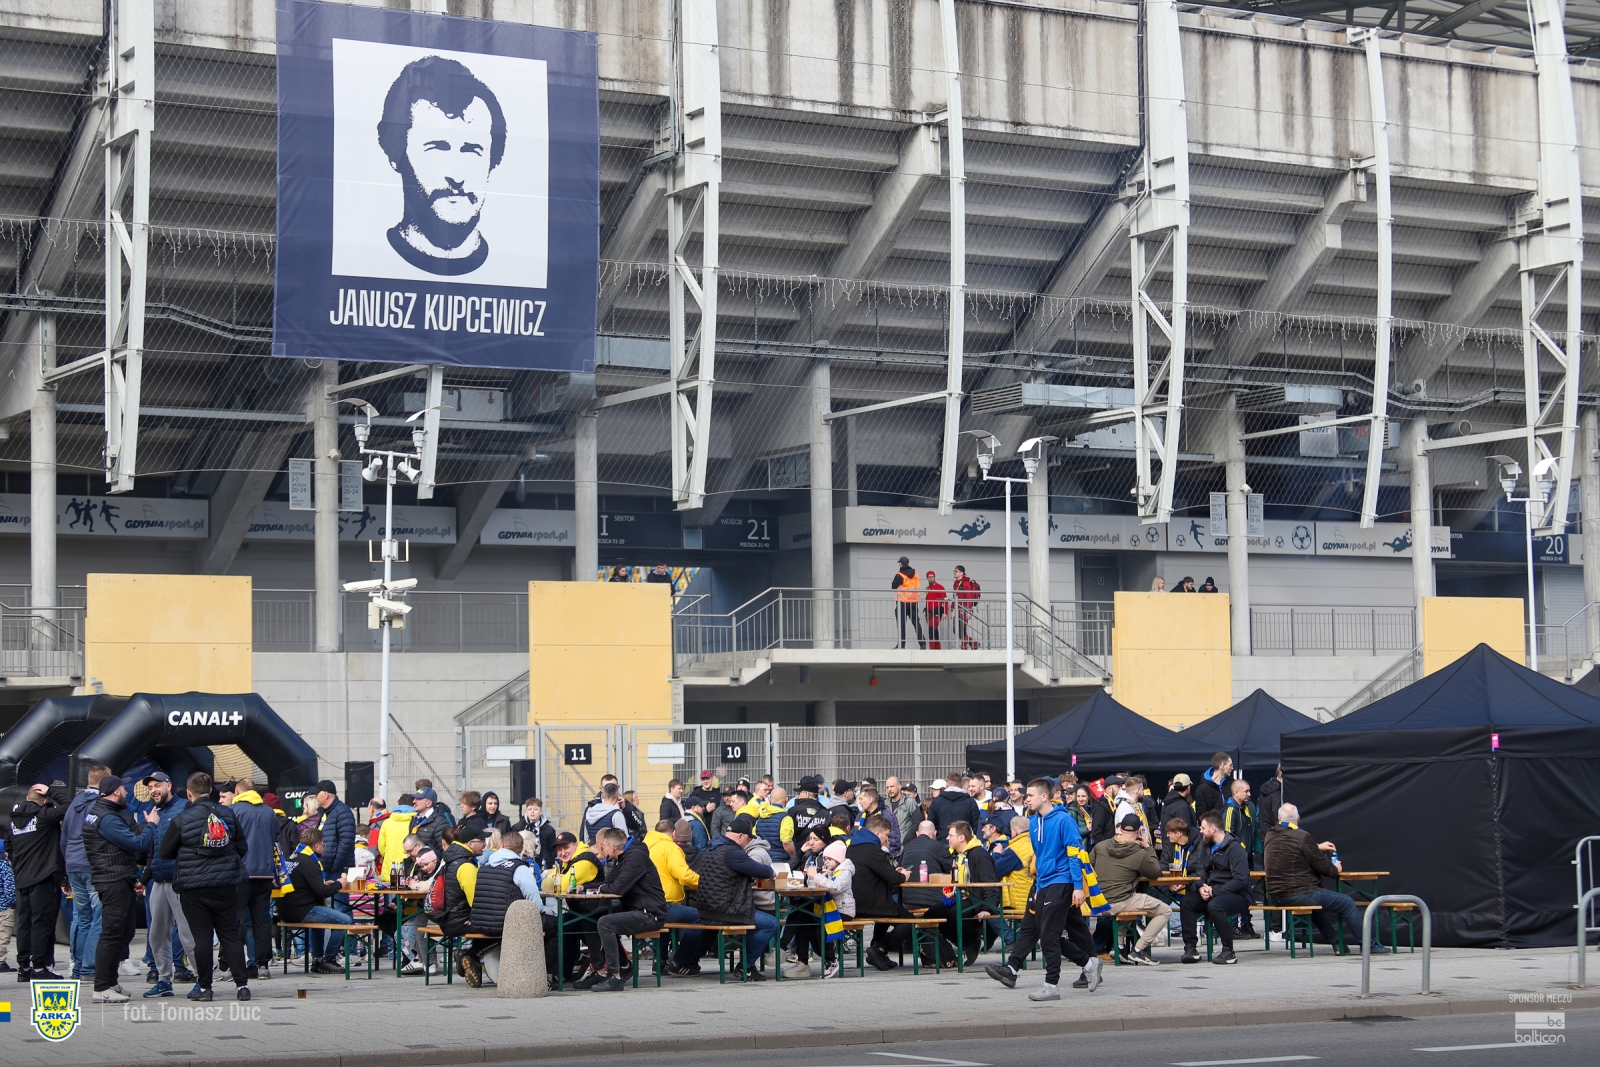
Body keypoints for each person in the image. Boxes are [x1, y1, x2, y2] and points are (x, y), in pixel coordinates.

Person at [378, 55, 506, 275]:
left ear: (492, 162)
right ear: (396, 155)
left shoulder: (509, 270)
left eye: (472, 151)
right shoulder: (371, 262)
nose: (457, 176)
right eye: (437, 148)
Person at [984, 778, 1102, 1000]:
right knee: (1047, 933)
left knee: (1049, 935)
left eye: (1030, 795)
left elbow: (1075, 854)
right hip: (1044, 882)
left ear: (1044, 796)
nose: (1026, 799)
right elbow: (1039, 857)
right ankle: (1088, 963)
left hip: (1062, 881)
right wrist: (1038, 886)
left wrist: (1078, 887)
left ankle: (1051, 984)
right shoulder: (1034, 822)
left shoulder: (1064, 820)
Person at [160, 772, 251, 1000]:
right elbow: (242, 847)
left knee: (201, 938)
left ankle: (205, 988)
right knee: (230, 935)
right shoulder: (228, 814)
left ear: (189, 793)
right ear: (211, 791)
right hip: (226, 884)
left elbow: (165, 852)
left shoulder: (182, 819)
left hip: (194, 886)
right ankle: (242, 986)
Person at [1263, 802, 1390, 956]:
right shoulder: (1302, 837)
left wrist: (1315, 846)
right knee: (1347, 903)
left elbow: (1290, 846)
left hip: (1274, 896)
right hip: (1298, 893)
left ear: (1278, 818)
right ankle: (1368, 945)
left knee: (1315, 909)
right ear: (1298, 818)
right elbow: (1326, 868)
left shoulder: (1270, 835)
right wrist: (1336, 868)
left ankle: (1338, 945)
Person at [83, 774, 161, 1002]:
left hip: (118, 877)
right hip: (112, 880)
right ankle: (101, 988)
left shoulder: (104, 813)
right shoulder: (107, 818)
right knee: (111, 933)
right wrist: (151, 825)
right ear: (116, 792)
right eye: (124, 788)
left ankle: (111, 982)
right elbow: (137, 844)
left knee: (123, 932)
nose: (127, 792)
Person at [682, 815, 777, 981]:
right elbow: (758, 870)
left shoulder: (712, 848)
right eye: (747, 839)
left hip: (707, 909)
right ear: (740, 836)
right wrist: (770, 872)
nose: (747, 843)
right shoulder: (733, 852)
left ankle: (747, 965)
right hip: (726, 911)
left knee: (752, 919)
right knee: (771, 924)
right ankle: (745, 966)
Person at [141, 773, 197, 998]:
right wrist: (144, 879)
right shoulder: (155, 814)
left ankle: (202, 979)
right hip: (159, 881)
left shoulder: (185, 807)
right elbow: (153, 852)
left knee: (187, 934)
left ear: (169, 785)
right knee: (156, 935)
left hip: (180, 881)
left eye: (157, 785)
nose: (153, 790)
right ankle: (164, 980)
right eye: (150, 787)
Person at [1091, 813, 1171, 966]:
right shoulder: (1139, 853)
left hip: (1098, 901)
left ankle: (1120, 948)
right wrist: (1148, 847)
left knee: (1130, 901)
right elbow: (1155, 872)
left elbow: (1088, 866)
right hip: (1119, 900)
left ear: (1120, 829)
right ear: (1139, 831)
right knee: (1165, 910)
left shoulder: (1100, 846)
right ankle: (1139, 950)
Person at [9, 782, 67, 980]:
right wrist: (51, 792)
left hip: (22, 878)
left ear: (27, 799)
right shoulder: (43, 815)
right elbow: (69, 805)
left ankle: (23, 968)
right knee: (41, 922)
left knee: (24, 923)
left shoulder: (12, 821)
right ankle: (40, 968)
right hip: (43, 877)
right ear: (43, 801)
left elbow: (9, 848)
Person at [1178, 810, 1251, 965]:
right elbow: (1201, 871)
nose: (1200, 831)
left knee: (1215, 905)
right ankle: (1190, 949)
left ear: (1213, 829)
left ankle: (1228, 950)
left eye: (1203, 828)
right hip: (1212, 890)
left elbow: (1240, 880)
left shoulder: (1235, 848)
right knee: (1187, 902)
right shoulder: (1206, 846)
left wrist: (1214, 891)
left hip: (1237, 895)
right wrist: (1201, 886)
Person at [848, 815, 919, 970]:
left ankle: (877, 951)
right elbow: (893, 879)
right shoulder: (872, 849)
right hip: (869, 903)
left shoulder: (853, 847)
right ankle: (880, 948)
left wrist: (892, 872)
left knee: (887, 913)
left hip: (856, 902)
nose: (887, 839)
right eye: (886, 835)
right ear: (878, 833)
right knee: (911, 922)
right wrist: (903, 875)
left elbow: (876, 871)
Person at [61, 763, 110, 980]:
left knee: (82, 918)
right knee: (98, 917)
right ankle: (89, 968)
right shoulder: (100, 804)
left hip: (73, 864)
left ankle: (78, 967)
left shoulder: (74, 803)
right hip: (92, 865)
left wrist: (67, 866)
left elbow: (64, 838)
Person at [279, 826, 350, 975]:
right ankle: (328, 959)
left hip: (286, 910)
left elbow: (306, 885)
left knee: (319, 922)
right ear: (316, 846)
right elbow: (321, 892)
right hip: (301, 910)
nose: (324, 847)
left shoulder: (292, 858)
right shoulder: (310, 862)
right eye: (323, 844)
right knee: (345, 920)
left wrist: (323, 884)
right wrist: (339, 884)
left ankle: (317, 960)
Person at [230, 778, 279, 979]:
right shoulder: (269, 812)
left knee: (233, 920)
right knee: (262, 921)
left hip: (241, 873)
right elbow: (275, 839)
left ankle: (232, 964)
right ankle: (263, 964)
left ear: (237, 791)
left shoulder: (234, 811)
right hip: (265, 873)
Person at [929, 772, 982, 838]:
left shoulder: (937, 801)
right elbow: (976, 825)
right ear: (962, 784)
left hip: (942, 841)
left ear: (947, 784)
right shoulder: (970, 802)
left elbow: (931, 823)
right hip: (964, 841)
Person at [1161, 774, 1197, 861]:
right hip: (1179, 852)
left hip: (1167, 847)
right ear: (1188, 788)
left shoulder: (1167, 803)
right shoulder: (1183, 807)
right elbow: (1186, 831)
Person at [891, 556, 926, 648]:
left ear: (901, 564)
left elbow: (893, 586)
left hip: (902, 602)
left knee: (901, 624)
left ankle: (901, 645)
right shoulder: (916, 574)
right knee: (916, 623)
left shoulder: (900, 575)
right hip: (913, 602)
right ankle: (923, 643)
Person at [510, 797, 557, 865]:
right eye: (529, 809)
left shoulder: (549, 830)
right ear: (526, 812)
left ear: (540, 812)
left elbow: (552, 850)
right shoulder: (517, 828)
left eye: (535, 809)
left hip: (543, 863)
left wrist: (549, 862)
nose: (532, 811)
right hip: (521, 861)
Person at [411, 788, 452, 858]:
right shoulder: (414, 819)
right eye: (414, 798)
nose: (414, 801)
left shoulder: (440, 822)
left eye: (419, 799)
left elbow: (445, 850)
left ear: (428, 803)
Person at [1193, 753, 1233, 818]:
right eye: (1230, 765)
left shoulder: (1232, 784)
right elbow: (1201, 816)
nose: (1232, 768)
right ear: (1222, 766)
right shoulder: (1202, 789)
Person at [924, 570, 948, 648]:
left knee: (931, 629)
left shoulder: (939, 587)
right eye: (929, 577)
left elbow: (945, 600)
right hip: (929, 613)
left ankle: (932, 649)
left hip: (937, 612)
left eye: (932, 577)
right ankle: (937, 648)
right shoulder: (927, 588)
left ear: (934, 577)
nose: (931, 578)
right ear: (927, 578)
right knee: (934, 630)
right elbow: (927, 600)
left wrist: (945, 612)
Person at [1258, 764, 1284, 829]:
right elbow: (1277, 817)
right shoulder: (1277, 792)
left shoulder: (1267, 787)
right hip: (1275, 832)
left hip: (1266, 831)